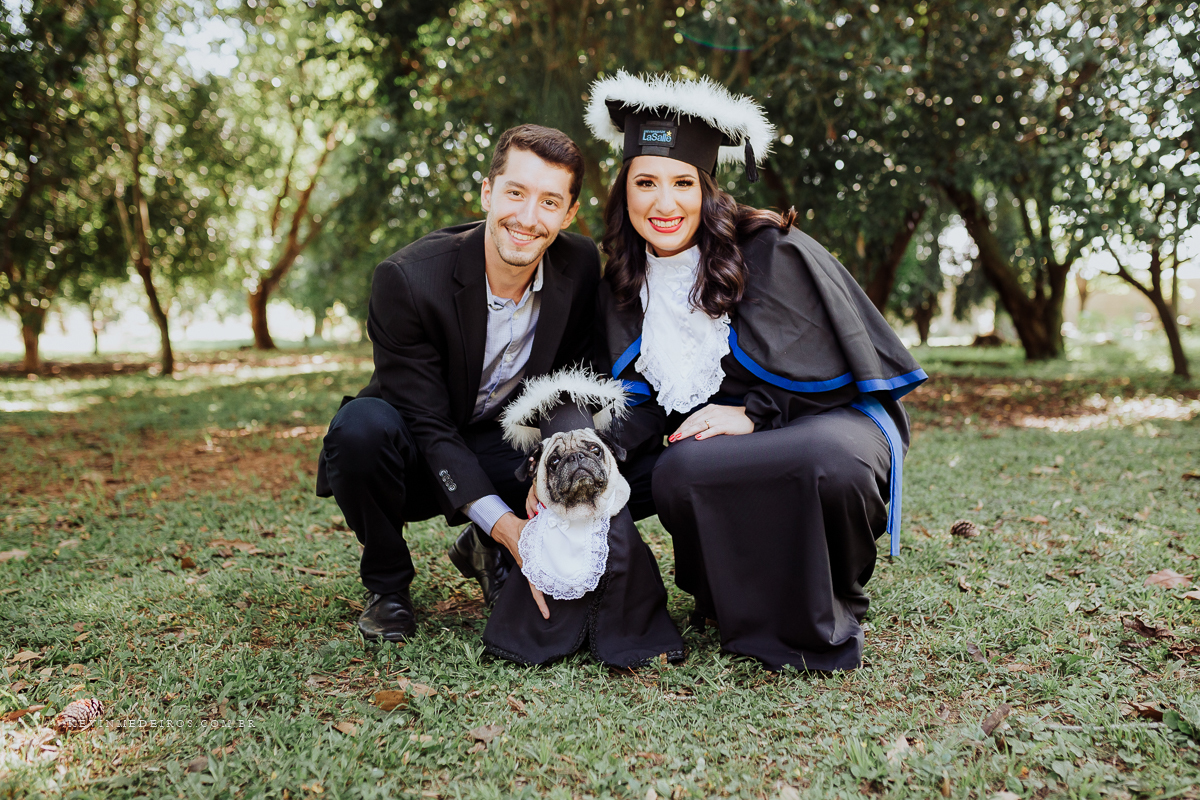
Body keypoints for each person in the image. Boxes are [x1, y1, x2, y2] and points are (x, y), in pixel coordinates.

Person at [584, 73, 927, 671]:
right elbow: (637, 400)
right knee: (677, 469)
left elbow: (839, 373)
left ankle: (834, 596)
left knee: (829, 464)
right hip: (718, 443)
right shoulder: (621, 282)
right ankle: (728, 599)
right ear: (625, 192)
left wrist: (753, 414)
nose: (665, 204)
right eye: (646, 183)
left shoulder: (771, 250)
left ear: (706, 187)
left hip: (828, 422)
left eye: (682, 183)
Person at [316, 125, 602, 642]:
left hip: (500, 444)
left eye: (549, 201)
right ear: (488, 191)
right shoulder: (407, 279)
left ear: (569, 213)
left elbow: (573, 383)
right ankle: (387, 586)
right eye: (516, 193)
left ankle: (481, 548)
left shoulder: (580, 266)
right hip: (409, 452)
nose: (528, 218)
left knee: (555, 438)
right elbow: (427, 426)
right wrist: (509, 528)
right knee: (358, 430)